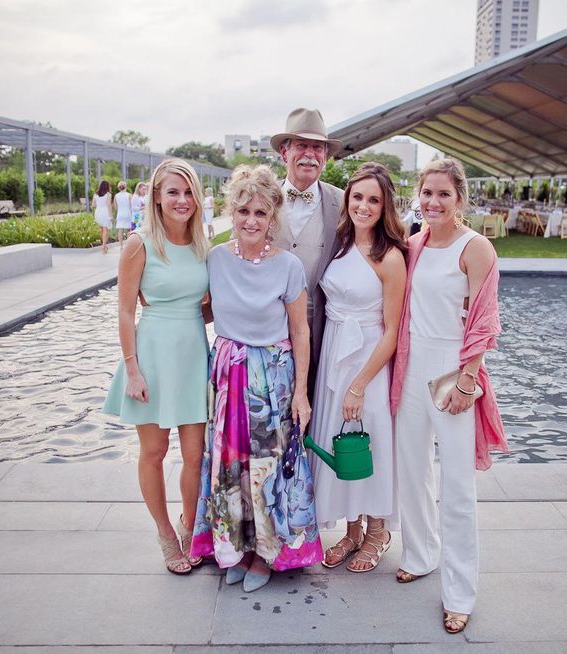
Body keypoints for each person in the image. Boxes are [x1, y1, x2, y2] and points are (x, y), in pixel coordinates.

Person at [190, 164, 322, 592]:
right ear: (232, 211)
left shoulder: (288, 266)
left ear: (272, 217)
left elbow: (300, 331)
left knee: (267, 468)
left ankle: (267, 555)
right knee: (230, 466)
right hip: (228, 374)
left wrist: (301, 393)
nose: (251, 220)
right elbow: (198, 307)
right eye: (244, 210)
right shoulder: (215, 259)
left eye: (260, 213)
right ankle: (237, 549)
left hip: (272, 378)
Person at [389, 158, 507, 635]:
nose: (433, 202)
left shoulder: (475, 248)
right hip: (411, 364)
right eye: (427, 193)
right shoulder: (414, 243)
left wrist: (467, 379)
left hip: (452, 370)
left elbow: (484, 319)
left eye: (443, 194)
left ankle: (459, 593)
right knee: (411, 469)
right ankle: (420, 554)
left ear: (460, 198)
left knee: (456, 484)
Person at [102, 159, 209, 575]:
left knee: (196, 455)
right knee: (155, 451)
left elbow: (207, 307)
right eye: (173, 192)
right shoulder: (139, 243)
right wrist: (133, 370)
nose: (182, 200)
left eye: (188, 192)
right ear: (157, 197)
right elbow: (125, 312)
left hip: (193, 353)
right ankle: (165, 534)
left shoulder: (202, 245)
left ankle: (190, 526)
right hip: (151, 355)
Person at [308, 163, 406, 572]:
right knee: (340, 440)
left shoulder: (390, 257)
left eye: (374, 200)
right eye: (358, 197)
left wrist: (360, 384)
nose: (364, 206)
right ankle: (351, 530)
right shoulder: (340, 243)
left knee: (372, 440)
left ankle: (377, 531)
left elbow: (393, 331)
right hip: (335, 352)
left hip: (369, 358)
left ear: (385, 207)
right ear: (347, 200)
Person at [270, 108, 344, 394]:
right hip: (267, 326)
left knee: (313, 406)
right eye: (302, 146)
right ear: (284, 153)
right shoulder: (263, 198)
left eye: (317, 147)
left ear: (325, 156)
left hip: (321, 328)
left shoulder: (342, 203)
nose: (310, 154)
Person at [92, 180, 113, 253]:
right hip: (105, 212)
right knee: (105, 229)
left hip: (98, 212)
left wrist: (99, 204)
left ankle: (104, 245)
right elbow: (108, 205)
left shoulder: (95, 194)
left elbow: (93, 205)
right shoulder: (108, 194)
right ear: (107, 186)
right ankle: (104, 246)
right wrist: (111, 215)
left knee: (101, 229)